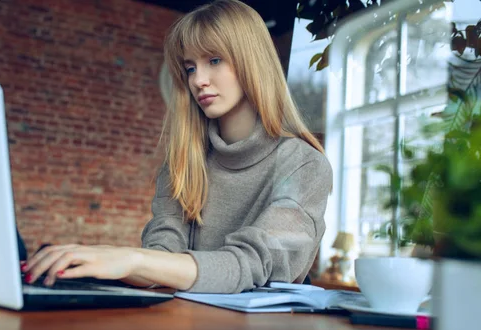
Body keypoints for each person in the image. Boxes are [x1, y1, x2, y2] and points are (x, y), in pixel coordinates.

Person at [23, 0, 332, 294]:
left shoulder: (305, 165)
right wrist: (94, 262)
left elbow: (252, 264)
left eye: (214, 60)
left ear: (251, 60)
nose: (198, 80)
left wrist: (133, 259)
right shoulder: (185, 161)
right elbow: (162, 254)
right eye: (190, 68)